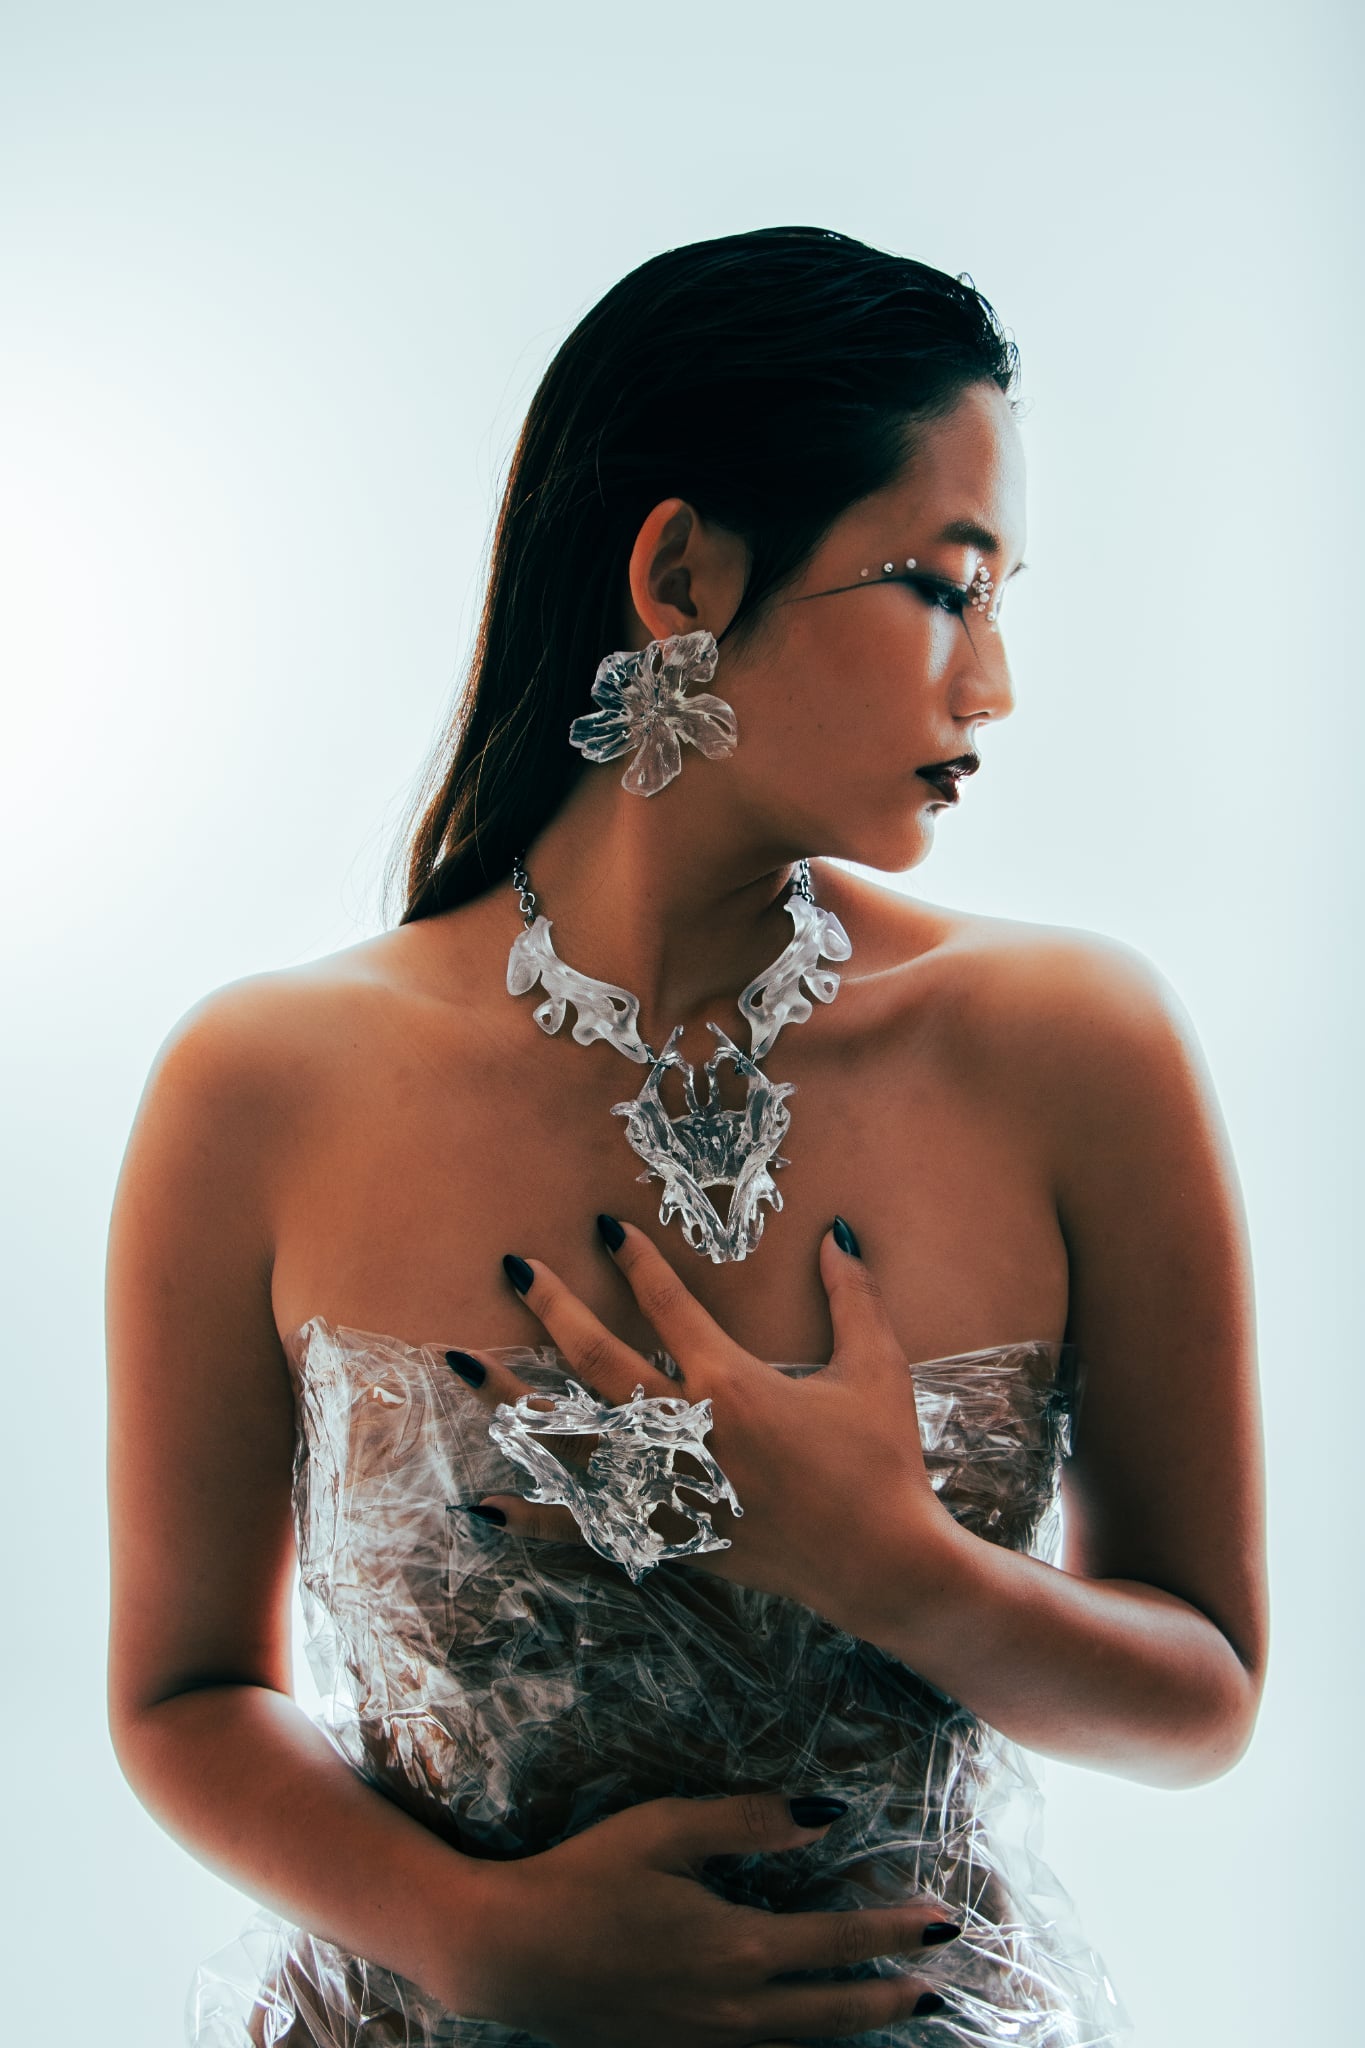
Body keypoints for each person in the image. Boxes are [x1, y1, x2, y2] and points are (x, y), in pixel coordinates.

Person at [106, 226, 1267, 2048]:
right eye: (946, 587)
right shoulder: (262, 1082)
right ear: (679, 571)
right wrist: (473, 1942)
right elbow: (180, 1694)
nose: (995, 688)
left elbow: (1202, 1699)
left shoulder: (1074, 1047)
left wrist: (893, 1562)